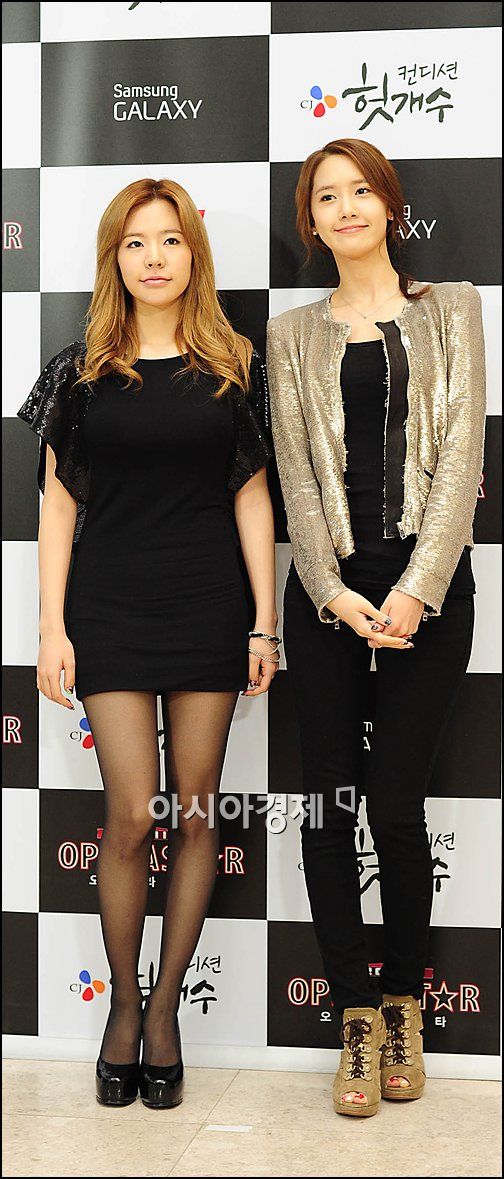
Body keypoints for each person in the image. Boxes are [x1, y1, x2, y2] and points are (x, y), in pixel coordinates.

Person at [17, 178, 279, 1109]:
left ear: (191, 255)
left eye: (170, 240)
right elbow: (57, 506)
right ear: (114, 258)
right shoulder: (79, 368)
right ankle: (122, 1007)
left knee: (197, 813)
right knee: (131, 815)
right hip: (111, 608)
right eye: (136, 243)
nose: (154, 257)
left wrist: (264, 619)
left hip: (208, 605)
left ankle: (165, 1012)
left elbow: (253, 496)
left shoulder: (233, 362)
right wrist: (51, 625)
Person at [266, 138, 486, 1118]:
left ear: (390, 206)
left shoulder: (454, 309)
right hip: (327, 601)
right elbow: (297, 478)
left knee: (395, 808)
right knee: (328, 806)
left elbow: (463, 457)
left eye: (362, 190)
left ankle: (404, 1007)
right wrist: (332, 592)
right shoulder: (289, 335)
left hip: (427, 595)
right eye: (328, 196)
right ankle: (353, 1017)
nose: (346, 207)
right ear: (310, 221)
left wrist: (415, 590)